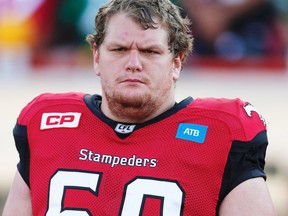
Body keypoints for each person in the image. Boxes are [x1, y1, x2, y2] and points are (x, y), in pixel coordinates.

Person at [3, 0, 276, 215]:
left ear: (177, 62)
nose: (133, 63)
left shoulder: (224, 132)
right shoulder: (46, 123)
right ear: (97, 57)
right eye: (119, 49)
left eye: (150, 52)